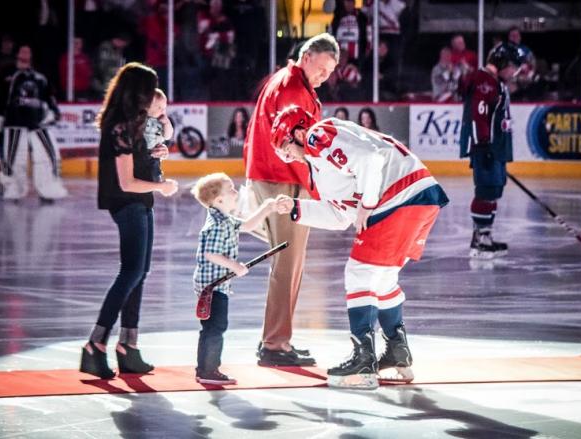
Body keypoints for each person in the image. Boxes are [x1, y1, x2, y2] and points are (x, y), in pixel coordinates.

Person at [270, 105, 449, 389]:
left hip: (399, 197)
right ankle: (397, 353)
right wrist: (296, 208)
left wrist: (367, 204)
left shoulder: (318, 136)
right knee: (382, 279)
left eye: (284, 144)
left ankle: (363, 359)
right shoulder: (319, 165)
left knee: (359, 273)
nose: (285, 154)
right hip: (419, 196)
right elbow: (341, 216)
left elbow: (370, 158)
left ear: (300, 133)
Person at [243, 32, 339, 367]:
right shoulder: (294, 89)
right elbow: (293, 143)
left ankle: (277, 339)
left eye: (329, 74)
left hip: (276, 179)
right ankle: (274, 344)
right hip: (282, 182)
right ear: (308, 55)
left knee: (289, 263)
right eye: (322, 69)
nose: (324, 78)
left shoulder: (290, 83)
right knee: (287, 262)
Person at [80, 62, 179, 379]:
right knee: (132, 271)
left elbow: (148, 150)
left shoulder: (138, 124)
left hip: (141, 201)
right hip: (126, 202)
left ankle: (128, 345)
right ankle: (95, 344)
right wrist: (161, 187)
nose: (154, 96)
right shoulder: (120, 127)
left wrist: (157, 152)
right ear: (138, 92)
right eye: (150, 90)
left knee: (141, 271)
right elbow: (125, 183)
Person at [191, 172, 282, 384]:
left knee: (213, 327)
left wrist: (266, 208)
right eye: (231, 189)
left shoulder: (226, 220)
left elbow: (248, 226)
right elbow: (211, 253)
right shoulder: (216, 224)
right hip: (212, 288)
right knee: (215, 327)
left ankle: (204, 368)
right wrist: (235, 266)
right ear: (219, 200)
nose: (235, 192)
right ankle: (208, 371)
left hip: (216, 286)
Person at [459, 43, 522, 259]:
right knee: (486, 190)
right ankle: (479, 240)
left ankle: (485, 235)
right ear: (502, 63)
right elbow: (478, 116)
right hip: (486, 147)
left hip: (495, 146)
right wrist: (483, 145)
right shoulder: (484, 81)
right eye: (513, 66)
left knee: (494, 189)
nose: (515, 72)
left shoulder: (495, 82)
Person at [0, 45, 68, 202]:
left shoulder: (39, 77)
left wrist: (54, 112)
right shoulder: (7, 74)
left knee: (47, 156)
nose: (25, 53)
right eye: (22, 51)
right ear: (17, 54)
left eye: (28, 51)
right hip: (14, 123)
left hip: (37, 124)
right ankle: (14, 191)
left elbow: (49, 97)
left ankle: (47, 191)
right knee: (14, 159)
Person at [144, 88, 173, 182]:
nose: (162, 111)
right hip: (141, 152)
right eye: (159, 107)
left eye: (164, 108)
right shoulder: (141, 120)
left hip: (154, 152)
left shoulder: (161, 121)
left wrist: (167, 124)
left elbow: (167, 136)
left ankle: (155, 179)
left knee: (154, 171)